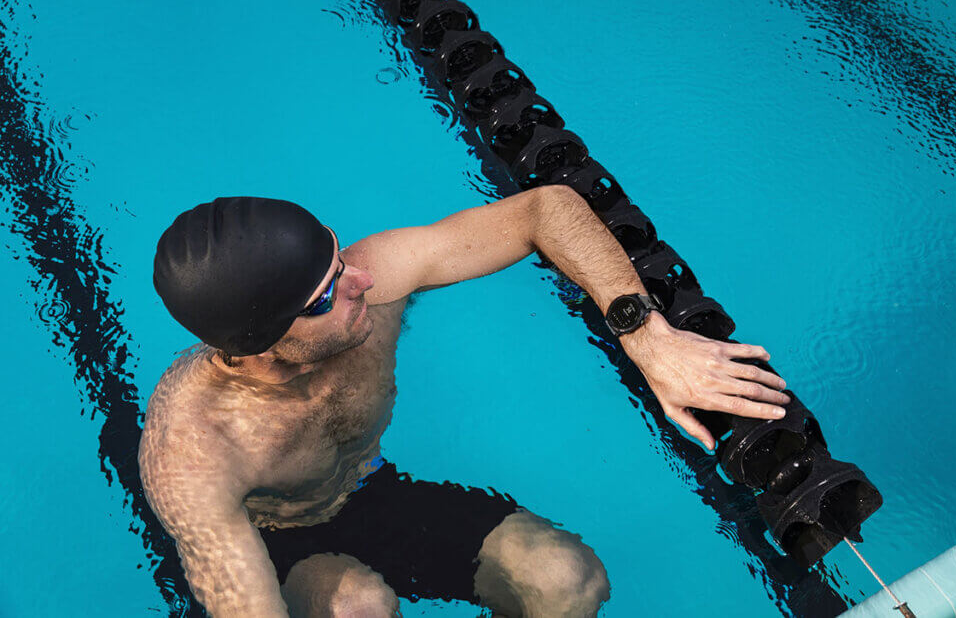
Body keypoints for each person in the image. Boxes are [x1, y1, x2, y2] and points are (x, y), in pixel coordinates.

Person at [139, 187, 790, 617]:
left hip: (371, 493)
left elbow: (546, 210)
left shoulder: (374, 283)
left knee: (570, 582)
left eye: (338, 261)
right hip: (282, 542)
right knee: (362, 606)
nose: (363, 281)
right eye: (325, 296)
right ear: (259, 344)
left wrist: (650, 338)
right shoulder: (196, 452)